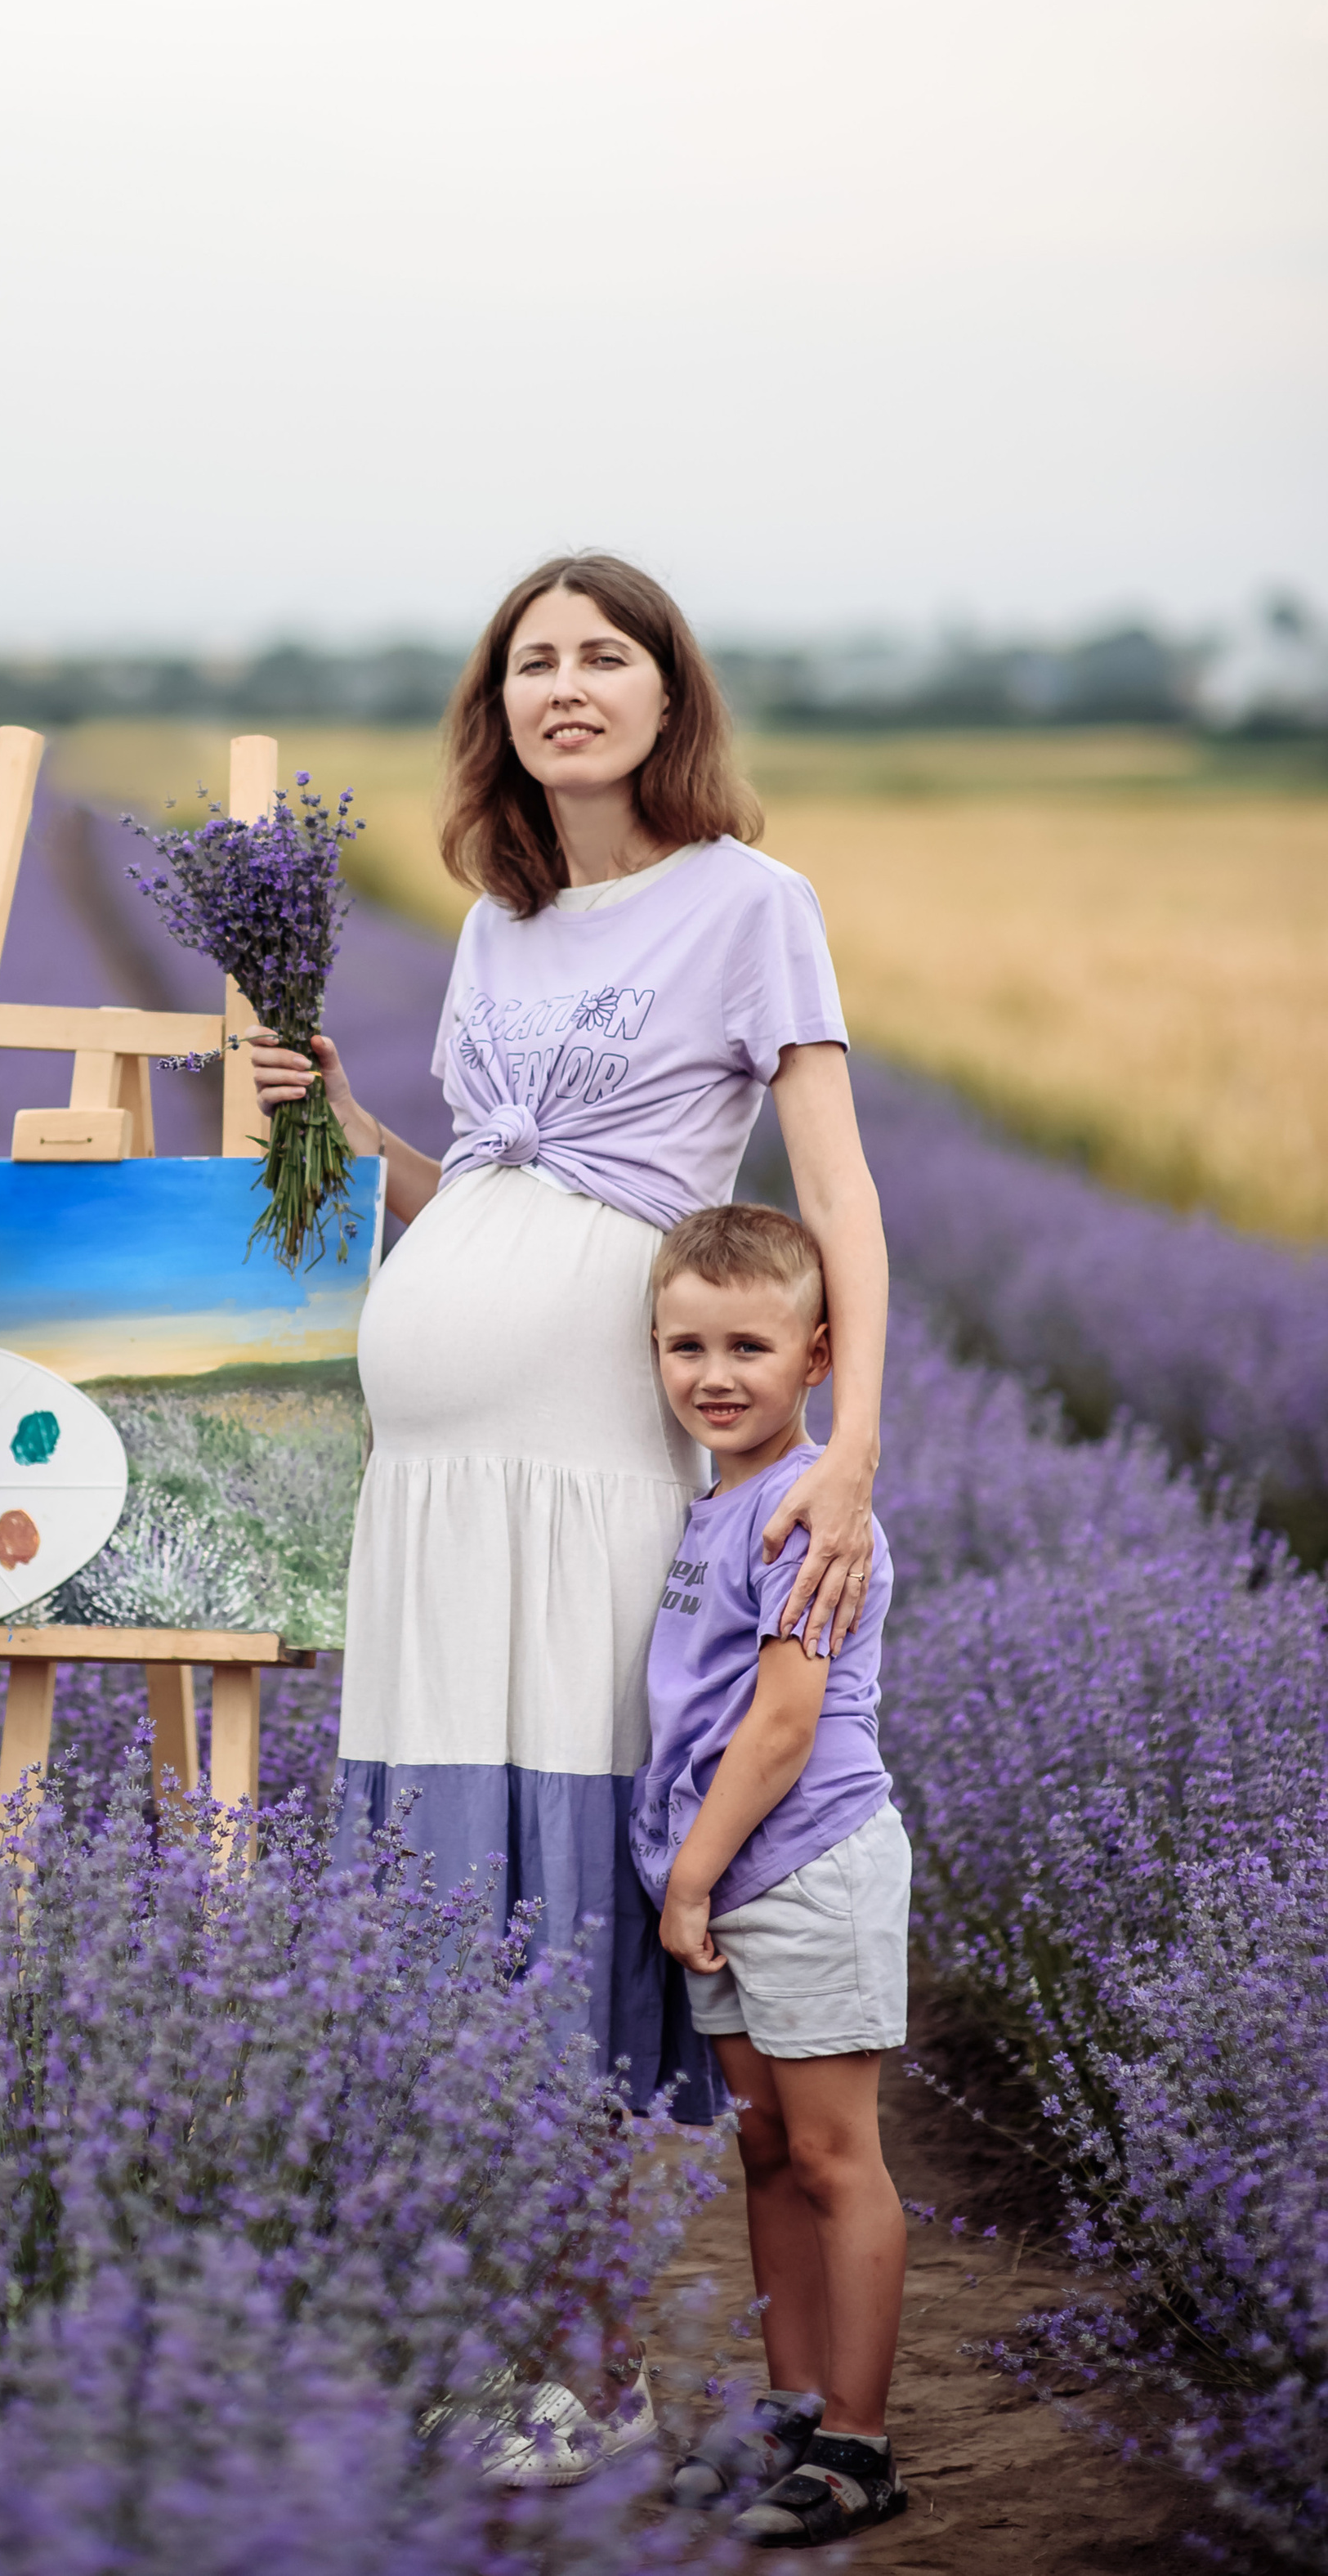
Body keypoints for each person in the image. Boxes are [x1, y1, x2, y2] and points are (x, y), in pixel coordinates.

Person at [248, 549, 886, 2476]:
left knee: (567, 1926)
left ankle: (591, 2370)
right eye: (531, 660)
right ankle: (496, 2353)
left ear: (667, 694)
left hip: (587, 1491)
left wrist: (847, 1449)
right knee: (451, 1930)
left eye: (602, 654)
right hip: (432, 1504)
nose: (564, 684)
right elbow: (491, 1206)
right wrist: (348, 1127)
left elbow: (834, 1199)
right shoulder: (492, 925)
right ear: (496, 710)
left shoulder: (749, 904)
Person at [637, 1200, 910, 2546]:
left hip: (801, 1863)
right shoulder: (714, 1501)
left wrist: (689, 1877)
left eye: (749, 1342)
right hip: (738, 1872)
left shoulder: (804, 1511)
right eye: (684, 1344)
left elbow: (785, 1722)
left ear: (816, 1357)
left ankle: (859, 2440)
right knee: (762, 2150)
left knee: (831, 2152)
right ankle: (792, 2401)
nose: (713, 1372)